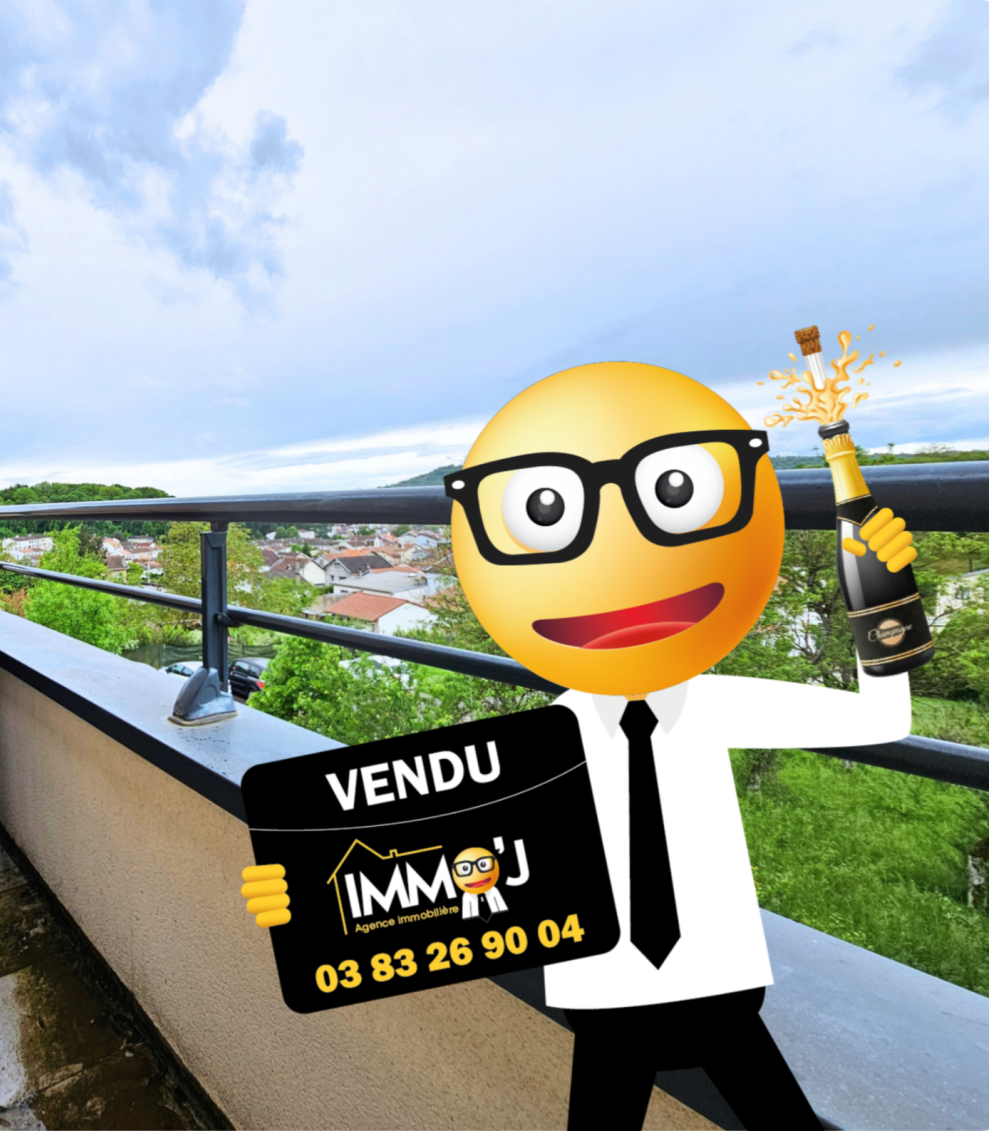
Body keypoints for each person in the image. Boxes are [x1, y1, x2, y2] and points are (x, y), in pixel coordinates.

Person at [238, 361, 914, 1129]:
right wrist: (308, 896)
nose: (619, 563)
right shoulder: (532, 751)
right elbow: (424, 860)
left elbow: (881, 717)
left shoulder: (712, 705)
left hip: (720, 988)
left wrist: (884, 592)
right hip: (606, 996)